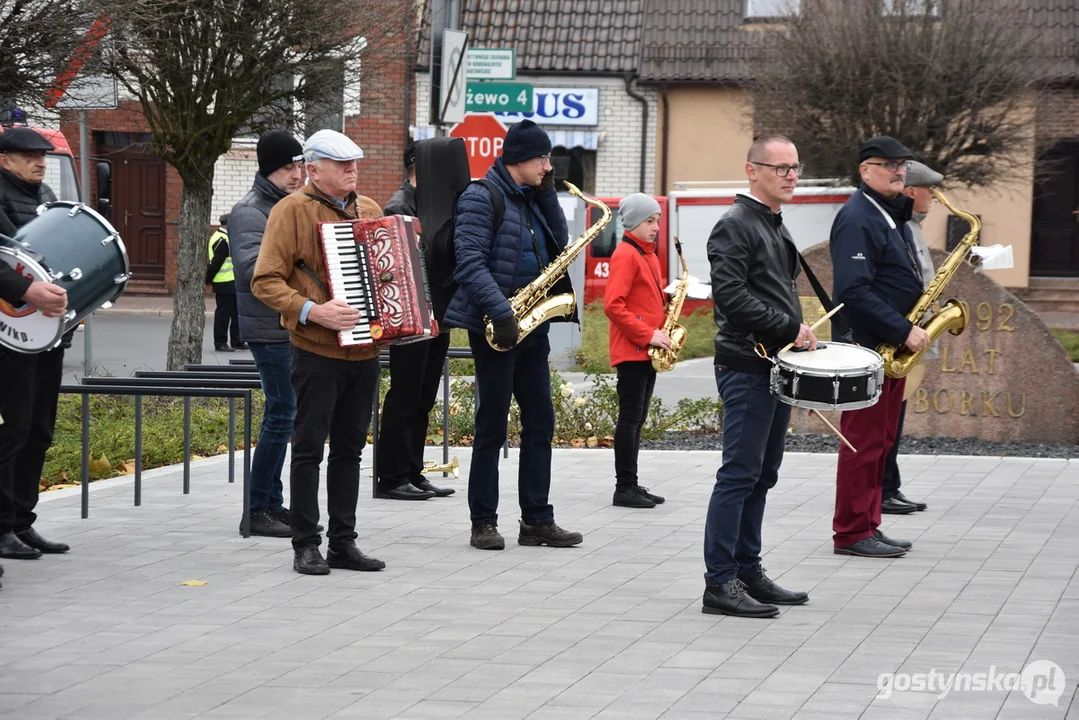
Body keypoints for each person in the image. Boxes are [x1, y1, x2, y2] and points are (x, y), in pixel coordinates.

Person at [444, 119, 583, 551]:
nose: (548, 166)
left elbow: (558, 247)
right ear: (520, 159)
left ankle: (537, 520)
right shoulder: (480, 196)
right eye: (543, 159)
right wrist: (502, 312)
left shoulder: (532, 197)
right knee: (491, 426)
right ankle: (483, 521)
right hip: (496, 326)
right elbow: (468, 260)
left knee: (541, 421)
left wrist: (546, 195)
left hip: (532, 325)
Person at [252, 129, 385, 576]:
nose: (353, 171)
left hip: (366, 351)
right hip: (315, 350)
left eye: (355, 164)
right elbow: (265, 281)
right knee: (308, 448)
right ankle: (305, 544)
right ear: (313, 169)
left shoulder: (369, 210)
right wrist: (313, 311)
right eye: (342, 164)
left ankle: (343, 543)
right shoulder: (290, 211)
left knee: (350, 451)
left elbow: (388, 275)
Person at [702, 135, 814, 619]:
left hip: (775, 364)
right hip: (747, 365)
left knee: (762, 475)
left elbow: (772, 291)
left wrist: (800, 334)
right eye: (780, 167)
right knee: (739, 475)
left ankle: (748, 570)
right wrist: (790, 326)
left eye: (795, 167)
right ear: (752, 170)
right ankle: (719, 583)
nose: (791, 175)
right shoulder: (734, 225)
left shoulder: (772, 223)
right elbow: (729, 298)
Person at [830, 136, 929, 558]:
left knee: (881, 441)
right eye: (888, 164)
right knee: (863, 443)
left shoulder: (888, 214)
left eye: (902, 164)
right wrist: (903, 329)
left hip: (885, 350)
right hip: (868, 348)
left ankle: (869, 523)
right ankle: (851, 532)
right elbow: (853, 290)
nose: (899, 171)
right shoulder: (858, 217)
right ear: (864, 171)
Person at [229, 130, 306, 537]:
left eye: (299, 167)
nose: (296, 175)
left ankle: (273, 504)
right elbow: (251, 270)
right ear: (267, 170)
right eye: (287, 168)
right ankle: (256, 509)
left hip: (288, 326)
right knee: (282, 414)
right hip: (269, 328)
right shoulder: (250, 211)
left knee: (285, 415)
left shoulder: (286, 206)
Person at [0, 127, 71, 563]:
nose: (40, 162)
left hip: (45, 331)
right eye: (29, 155)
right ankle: (2, 526)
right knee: (12, 432)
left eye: (42, 155)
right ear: (4, 159)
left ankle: (22, 521)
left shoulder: (43, 194)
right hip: (9, 335)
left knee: (39, 431)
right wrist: (26, 291)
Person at [374, 141, 452, 500]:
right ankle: (391, 476)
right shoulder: (399, 206)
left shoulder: (434, 202)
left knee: (423, 397)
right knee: (405, 395)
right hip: (411, 315)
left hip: (436, 313)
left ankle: (413, 471)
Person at [603, 193, 670, 509]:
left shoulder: (648, 255)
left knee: (638, 417)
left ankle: (632, 482)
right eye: (649, 220)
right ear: (632, 223)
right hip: (633, 349)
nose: (656, 226)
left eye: (657, 220)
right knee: (630, 418)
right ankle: (624, 487)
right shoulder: (626, 255)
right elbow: (612, 306)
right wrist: (648, 334)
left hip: (646, 350)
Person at [881, 160, 940, 516]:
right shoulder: (901, 227)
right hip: (900, 332)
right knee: (888, 417)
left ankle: (891, 484)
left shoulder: (912, 227)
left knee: (897, 414)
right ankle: (884, 488)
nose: (933, 196)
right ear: (910, 192)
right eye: (929, 189)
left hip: (911, 330)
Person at [206, 213, 246, 352]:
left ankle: (237, 340)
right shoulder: (222, 240)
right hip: (224, 283)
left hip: (232, 282)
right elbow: (216, 264)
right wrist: (207, 279)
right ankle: (220, 342)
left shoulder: (226, 238)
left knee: (235, 313)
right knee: (223, 315)